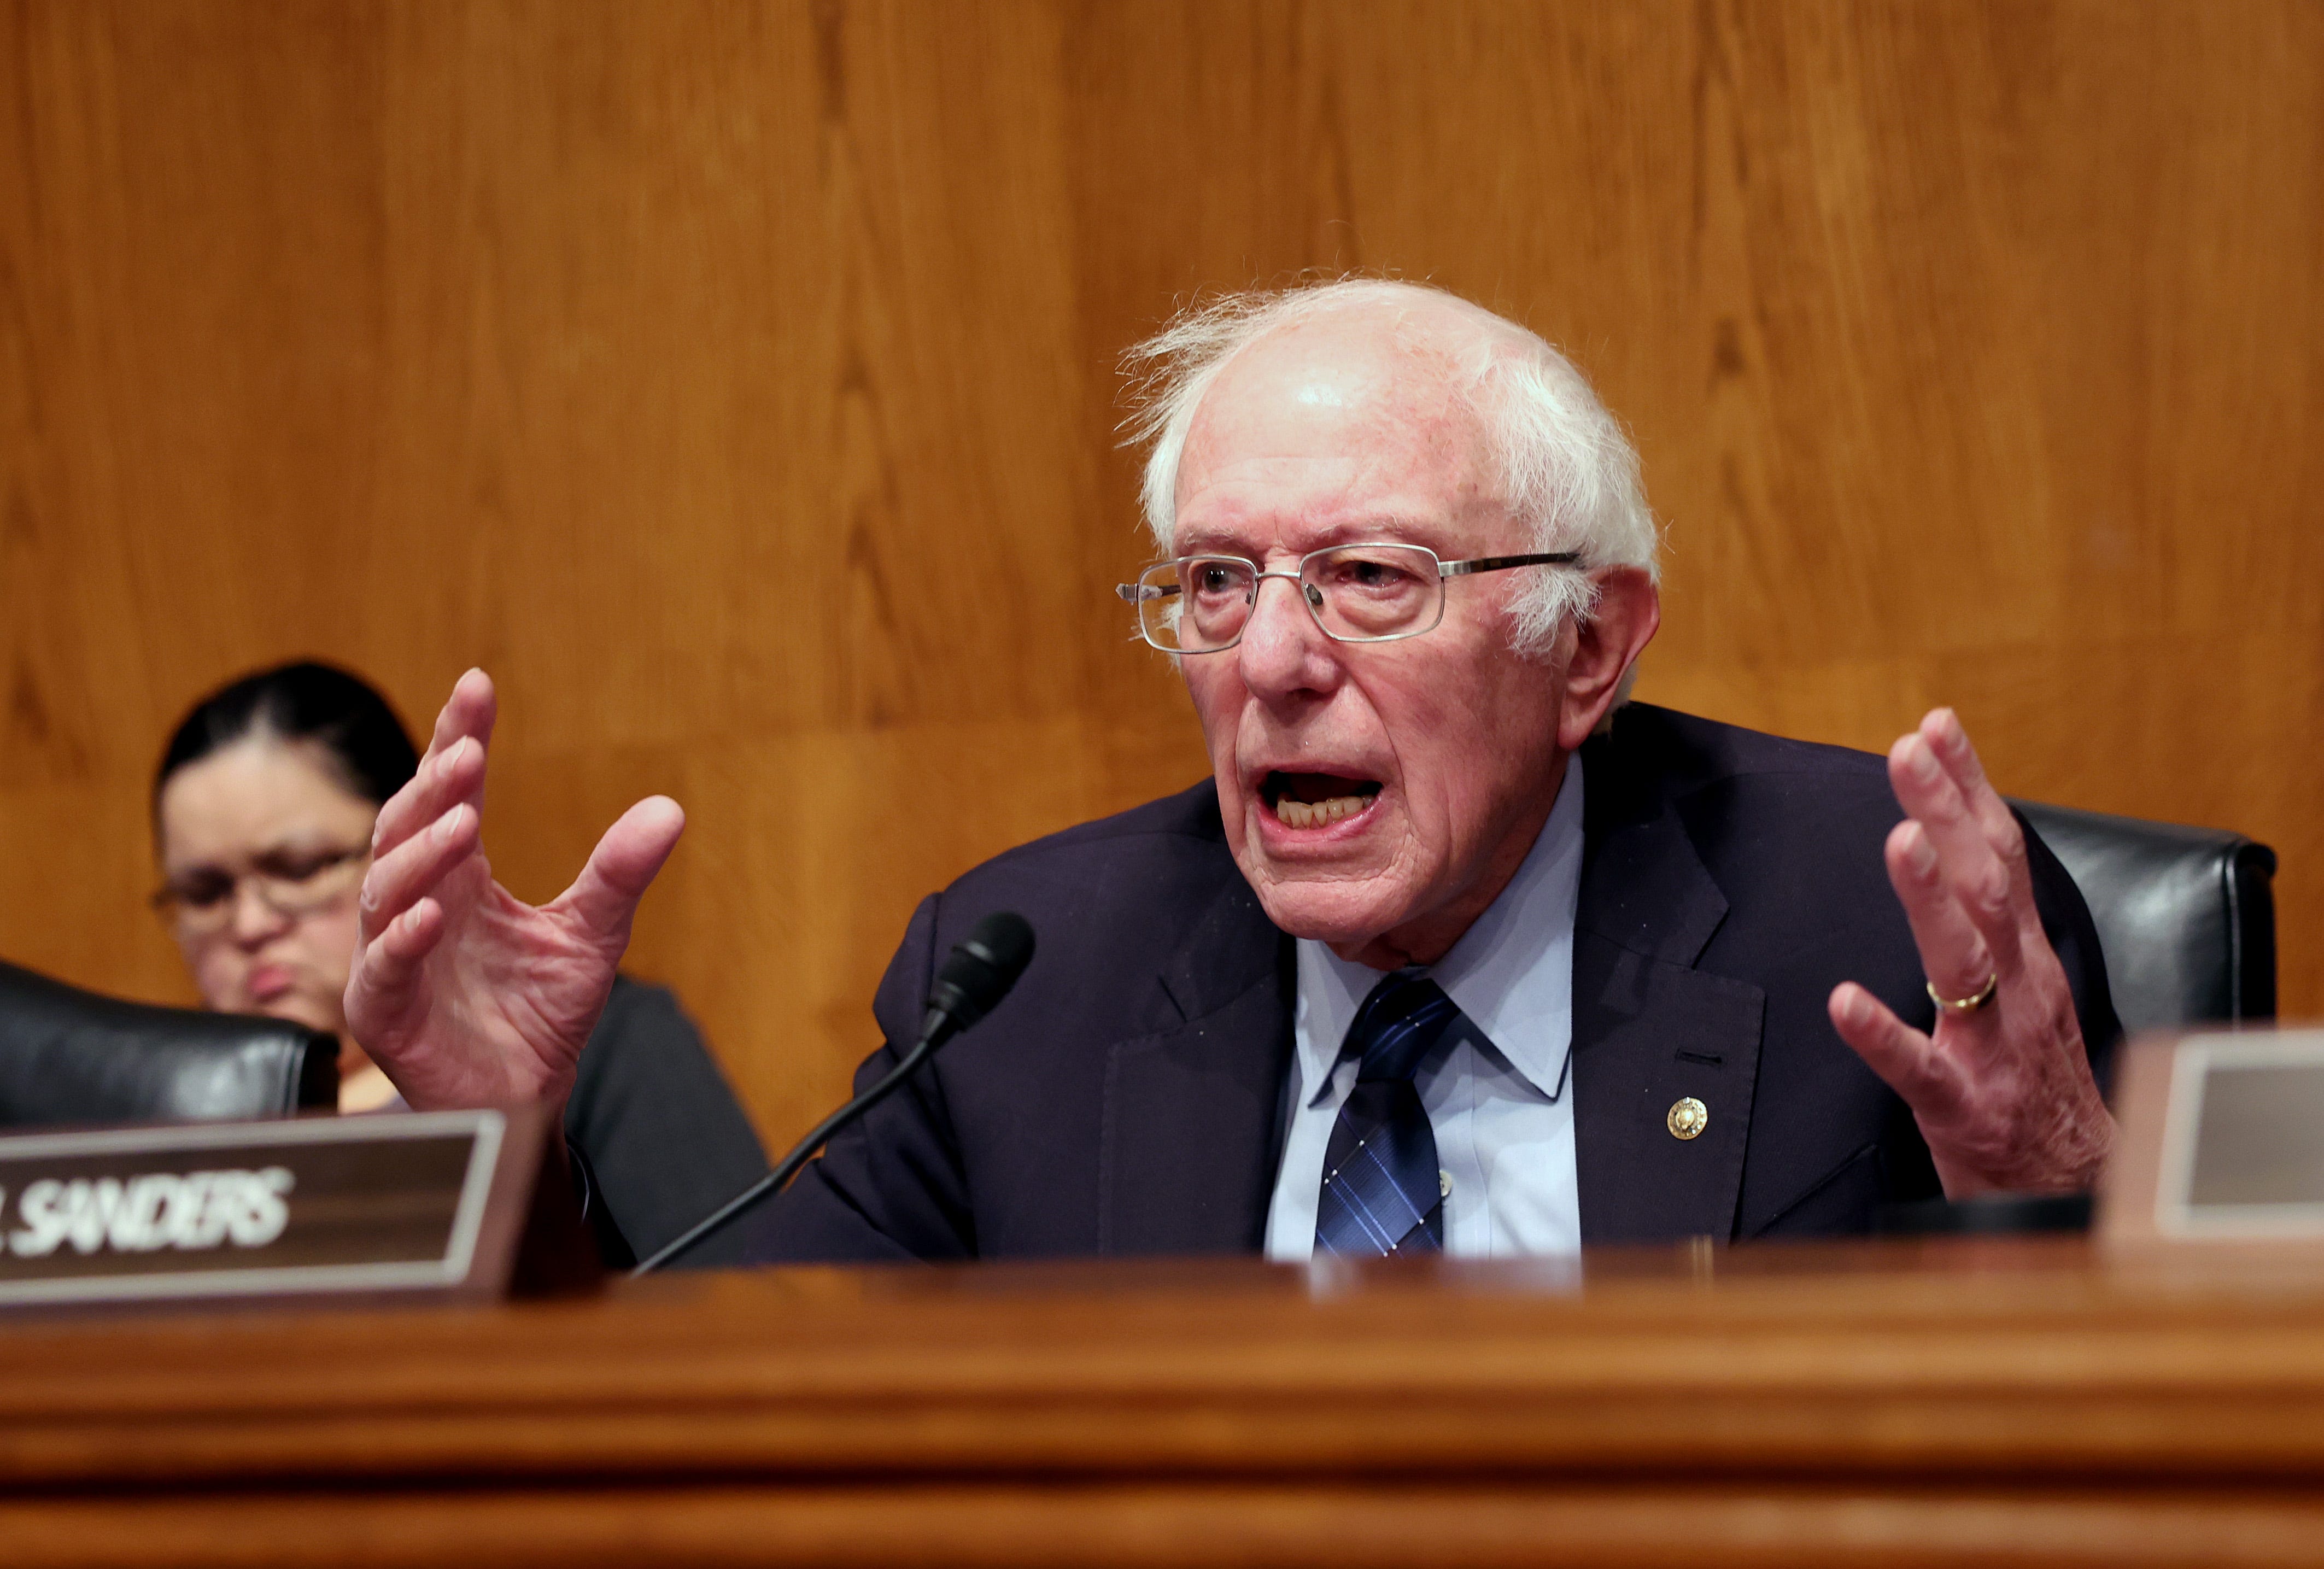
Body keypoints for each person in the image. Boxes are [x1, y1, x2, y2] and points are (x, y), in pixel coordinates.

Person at [341, 280, 2120, 1263]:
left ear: (1587, 648)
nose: (1269, 661)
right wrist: (501, 1152)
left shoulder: (1868, 916)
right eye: (1215, 582)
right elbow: (740, 1443)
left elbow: (2102, 1470)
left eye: (1368, 577)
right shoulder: (1032, 980)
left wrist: (2051, 1192)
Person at [150, 661, 768, 1262]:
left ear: (404, 844)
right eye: (204, 893)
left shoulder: (588, 1044)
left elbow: (730, 1311)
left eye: (300, 867)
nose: (250, 925)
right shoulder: (159, 1108)